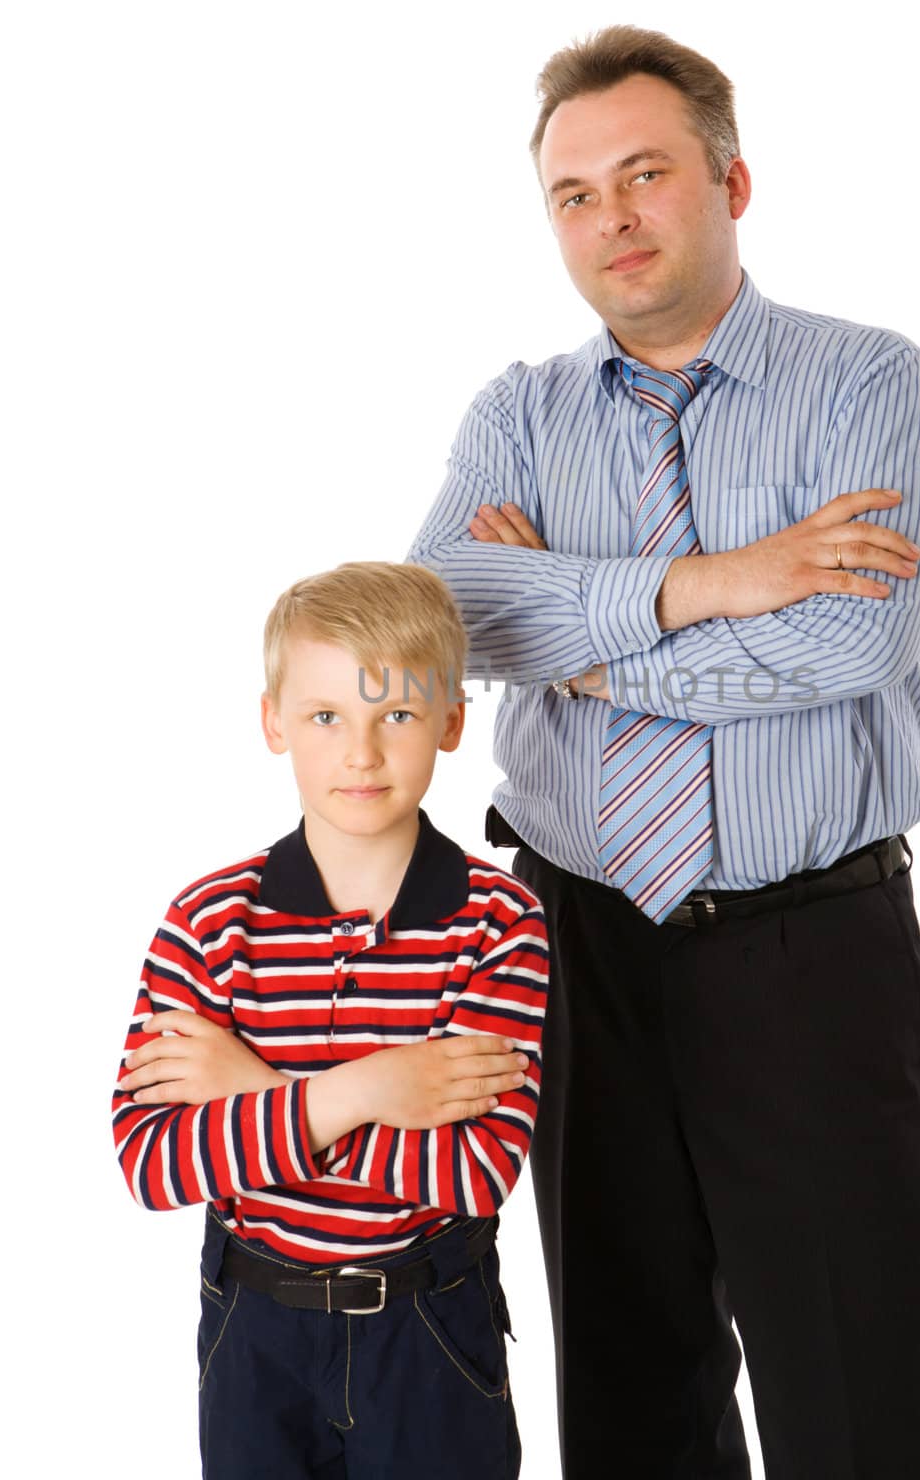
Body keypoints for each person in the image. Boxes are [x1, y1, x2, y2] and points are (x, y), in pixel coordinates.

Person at [406, 27, 920, 1478]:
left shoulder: (866, 385)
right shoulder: (519, 412)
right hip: (572, 942)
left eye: (645, 174)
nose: (614, 219)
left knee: (857, 1397)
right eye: (575, 195)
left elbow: (854, 648)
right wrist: (707, 582)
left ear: (732, 179)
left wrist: (570, 632)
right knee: (630, 1387)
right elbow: (436, 614)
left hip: (809, 952)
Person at [111, 561, 548, 1480]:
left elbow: (472, 1174)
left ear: (453, 722)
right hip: (253, 1331)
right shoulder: (208, 922)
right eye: (325, 718)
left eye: (396, 714)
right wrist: (365, 1091)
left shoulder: (498, 924)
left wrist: (258, 1092)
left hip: (430, 1330)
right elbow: (153, 1163)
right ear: (274, 722)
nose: (362, 753)